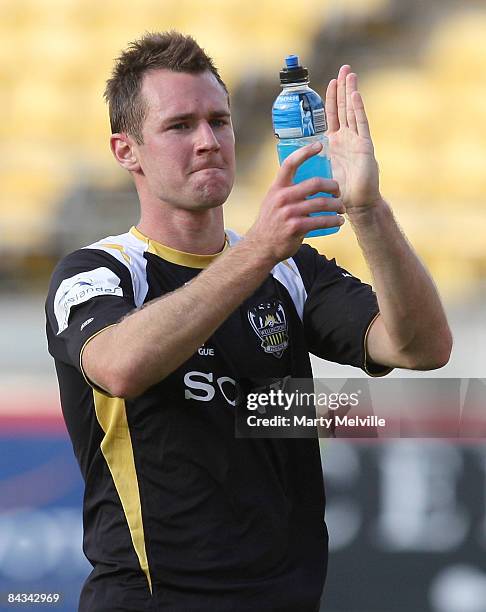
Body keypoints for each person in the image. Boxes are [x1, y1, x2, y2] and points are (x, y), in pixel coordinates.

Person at [45, 31, 452, 612]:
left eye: (220, 121)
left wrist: (367, 209)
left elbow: (421, 346)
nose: (209, 142)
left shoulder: (289, 268)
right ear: (125, 150)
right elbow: (122, 365)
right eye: (180, 126)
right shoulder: (97, 273)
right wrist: (259, 249)